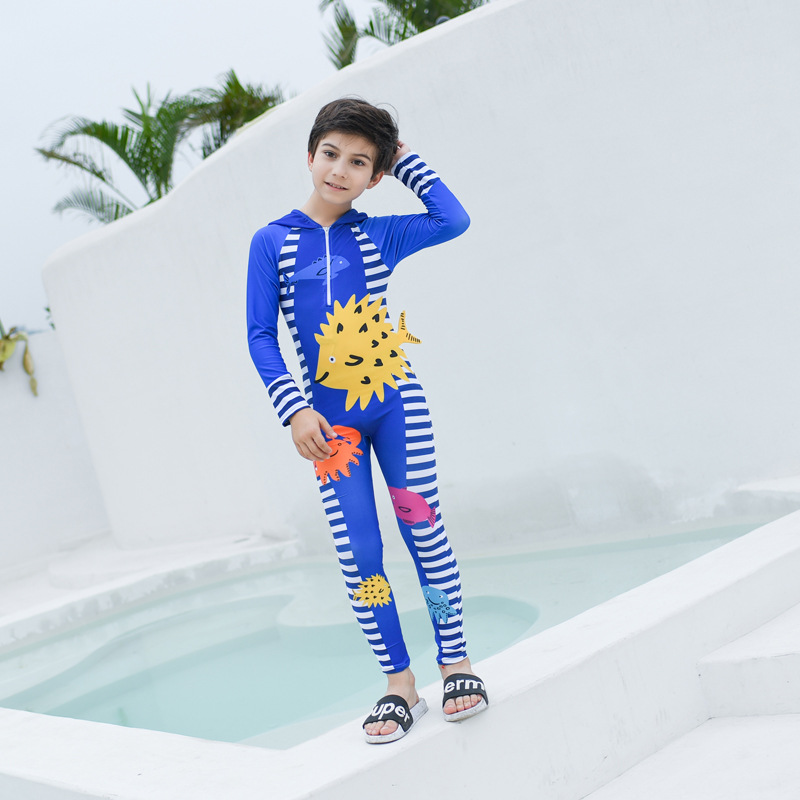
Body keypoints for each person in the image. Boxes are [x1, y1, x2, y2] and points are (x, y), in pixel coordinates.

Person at [247, 98, 488, 743]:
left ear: (375, 176)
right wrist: (293, 409)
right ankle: (399, 683)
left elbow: (453, 218)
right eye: (331, 154)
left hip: (396, 404)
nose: (340, 170)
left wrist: (402, 157)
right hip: (331, 428)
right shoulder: (271, 242)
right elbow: (261, 335)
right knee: (360, 552)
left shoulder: (380, 234)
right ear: (310, 155)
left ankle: (456, 664)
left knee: (423, 532)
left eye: (359, 162)